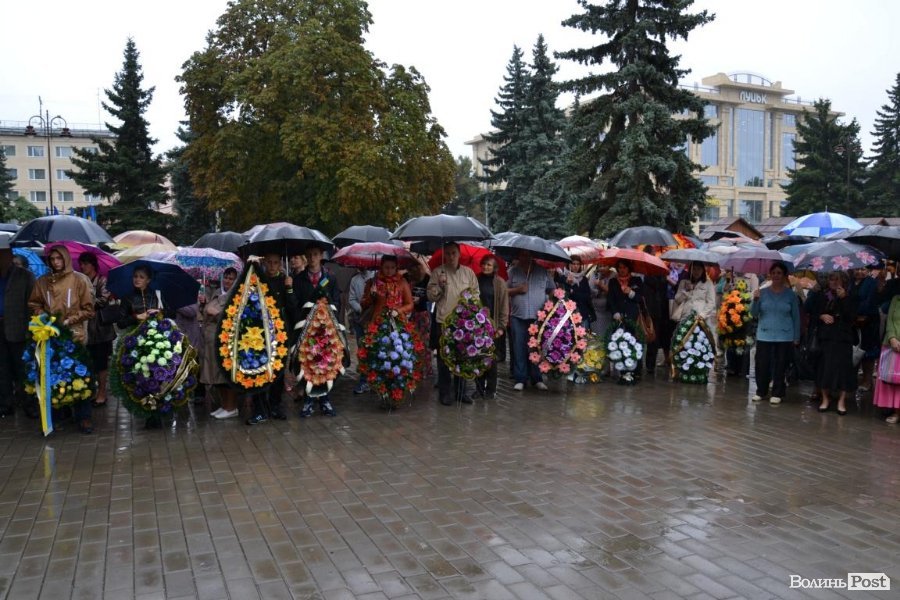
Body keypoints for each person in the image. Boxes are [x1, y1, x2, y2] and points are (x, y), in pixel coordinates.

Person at [29, 246, 95, 433]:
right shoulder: (42, 281)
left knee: (79, 374)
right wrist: (44, 316)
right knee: (54, 375)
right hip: (50, 335)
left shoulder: (79, 280)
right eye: (52, 259)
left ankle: (84, 416)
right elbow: (34, 303)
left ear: (66, 259)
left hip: (74, 334)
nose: (56, 262)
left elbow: (89, 309)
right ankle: (58, 414)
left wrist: (69, 320)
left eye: (59, 258)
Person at [117, 264, 174, 429]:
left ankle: (158, 411)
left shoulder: (157, 295)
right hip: (136, 343)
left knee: (157, 375)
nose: (137, 279)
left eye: (141, 277)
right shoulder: (127, 298)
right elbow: (120, 322)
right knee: (141, 377)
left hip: (158, 340)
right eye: (135, 276)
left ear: (148, 280)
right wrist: (136, 317)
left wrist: (159, 312)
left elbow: (172, 313)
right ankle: (146, 411)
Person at [246, 253, 296, 424]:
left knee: (278, 372)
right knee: (259, 369)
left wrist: (289, 288)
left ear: (280, 264)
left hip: (280, 333)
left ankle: (275, 405)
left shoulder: (285, 281)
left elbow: (292, 307)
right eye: (270, 262)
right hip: (260, 334)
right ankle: (259, 409)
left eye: (276, 263)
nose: (273, 266)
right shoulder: (258, 280)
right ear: (265, 263)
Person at [427, 241, 479, 405]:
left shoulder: (468, 273)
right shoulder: (438, 272)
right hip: (444, 320)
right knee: (444, 358)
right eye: (448, 253)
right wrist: (440, 286)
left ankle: (461, 392)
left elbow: (476, 294)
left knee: (462, 357)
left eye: (453, 253)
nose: (451, 257)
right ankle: (445, 392)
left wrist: (469, 302)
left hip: (463, 322)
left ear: (459, 254)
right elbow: (431, 296)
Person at [292, 245, 341, 418]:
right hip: (307, 329)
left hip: (326, 328)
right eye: (309, 255)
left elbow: (337, 301)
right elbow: (296, 303)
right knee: (308, 362)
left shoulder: (330, 278)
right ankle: (308, 400)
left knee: (326, 362)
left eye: (315, 254)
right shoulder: (299, 279)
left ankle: (325, 399)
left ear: (321, 256)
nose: (312, 258)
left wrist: (329, 309)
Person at [750, 262, 800, 405]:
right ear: (770, 275)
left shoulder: (790, 295)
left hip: (784, 335)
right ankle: (761, 391)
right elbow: (754, 313)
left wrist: (796, 337)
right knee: (762, 364)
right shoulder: (762, 292)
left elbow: (796, 317)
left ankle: (777, 392)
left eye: (779, 273)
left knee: (780, 365)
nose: (776, 275)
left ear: (784, 275)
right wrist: (755, 300)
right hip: (764, 334)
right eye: (774, 273)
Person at [808, 271, 857, 415]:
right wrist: (821, 316)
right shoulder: (823, 295)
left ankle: (841, 401)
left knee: (843, 369)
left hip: (843, 338)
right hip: (826, 338)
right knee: (824, 368)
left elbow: (851, 317)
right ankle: (825, 398)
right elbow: (812, 313)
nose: (834, 282)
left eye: (837, 279)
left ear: (844, 281)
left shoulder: (851, 296)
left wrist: (844, 299)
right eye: (831, 279)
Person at [507, 250, 554, 391]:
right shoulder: (512, 272)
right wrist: (517, 289)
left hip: (538, 318)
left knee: (536, 349)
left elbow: (552, 290)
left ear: (532, 256)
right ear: (518, 256)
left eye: (527, 255)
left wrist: (551, 304)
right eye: (522, 255)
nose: (525, 257)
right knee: (519, 347)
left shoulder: (543, 272)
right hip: (518, 316)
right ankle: (520, 379)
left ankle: (537, 378)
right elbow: (504, 290)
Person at [0, 237, 35, 418]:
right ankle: (6, 404)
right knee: (2, 368)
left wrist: (30, 328)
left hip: (18, 328)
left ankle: (28, 403)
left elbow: (32, 304)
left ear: (9, 254)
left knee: (22, 368)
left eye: (2, 254)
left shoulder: (24, 275)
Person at [77, 252, 116, 408]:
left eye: (86, 263)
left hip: (100, 330)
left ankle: (102, 392)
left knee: (101, 363)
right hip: (85, 328)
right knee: (88, 361)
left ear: (93, 265)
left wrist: (86, 301)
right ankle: (91, 390)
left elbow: (102, 301)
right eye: (81, 263)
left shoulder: (102, 280)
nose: (82, 267)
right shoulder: (80, 281)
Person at [203, 267, 240, 419]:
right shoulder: (217, 292)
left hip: (225, 340)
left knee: (225, 376)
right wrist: (204, 305)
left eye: (231, 278)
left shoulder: (236, 295)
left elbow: (234, 318)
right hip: (211, 340)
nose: (227, 281)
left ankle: (231, 407)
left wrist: (217, 313)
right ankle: (224, 405)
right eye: (226, 277)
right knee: (215, 376)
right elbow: (205, 312)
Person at [475, 255, 509, 399]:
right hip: (477, 325)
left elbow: (504, 306)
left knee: (491, 358)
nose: (485, 267)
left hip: (493, 325)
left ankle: (491, 389)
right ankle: (479, 388)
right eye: (484, 264)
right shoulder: (475, 279)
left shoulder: (500, 283)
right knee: (478, 356)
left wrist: (501, 326)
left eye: (489, 265)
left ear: (494, 267)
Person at [672, 262, 718, 349]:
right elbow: (677, 299)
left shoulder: (708, 283)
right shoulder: (684, 282)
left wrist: (702, 315)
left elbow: (711, 302)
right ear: (690, 270)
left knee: (698, 342)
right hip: (685, 316)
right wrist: (686, 291)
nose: (696, 272)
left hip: (701, 318)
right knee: (684, 342)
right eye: (694, 269)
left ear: (703, 270)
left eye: (698, 269)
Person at [850, 267, 879, 392]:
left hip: (868, 322)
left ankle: (867, 380)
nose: (859, 272)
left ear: (867, 271)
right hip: (852, 322)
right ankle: (852, 379)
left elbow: (870, 302)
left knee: (867, 351)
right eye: (857, 269)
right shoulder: (850, 282)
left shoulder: (871, 282)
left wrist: (854, 310)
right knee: (853, 349)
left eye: (863, 269)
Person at [874, 285, 900, 423]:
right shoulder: (896, 299)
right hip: (891, 344)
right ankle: (894, 410)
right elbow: (889, 320)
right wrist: (892, 337)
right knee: (891, 378)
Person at [348, 267, 374, 394]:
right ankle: (364, 380)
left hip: (375, 318)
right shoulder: (355, 280)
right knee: (362, 348)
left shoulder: (377, 277)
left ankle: (375, 379)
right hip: (360, 318)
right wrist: (360, 309)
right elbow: (351, 299)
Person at [405, 260, 432, 379]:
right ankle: (413, 368)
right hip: (410, 314)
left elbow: (430, 296)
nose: (411, 273)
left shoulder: (427, 279)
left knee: (424, 342)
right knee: (411, 341)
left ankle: (425, 369)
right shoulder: (406, 277)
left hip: (423, 313)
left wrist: (420, 300)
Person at [556, 256, 596, 330]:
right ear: (569, 265)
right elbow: (563, 295)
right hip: (567, 314)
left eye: (578, 264)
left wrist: (574, 291)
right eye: (573, 264)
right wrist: (568, 283)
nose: (576, 266)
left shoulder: (584, 279)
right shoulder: (563, 278)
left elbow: (587, 296)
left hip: (582, 313)